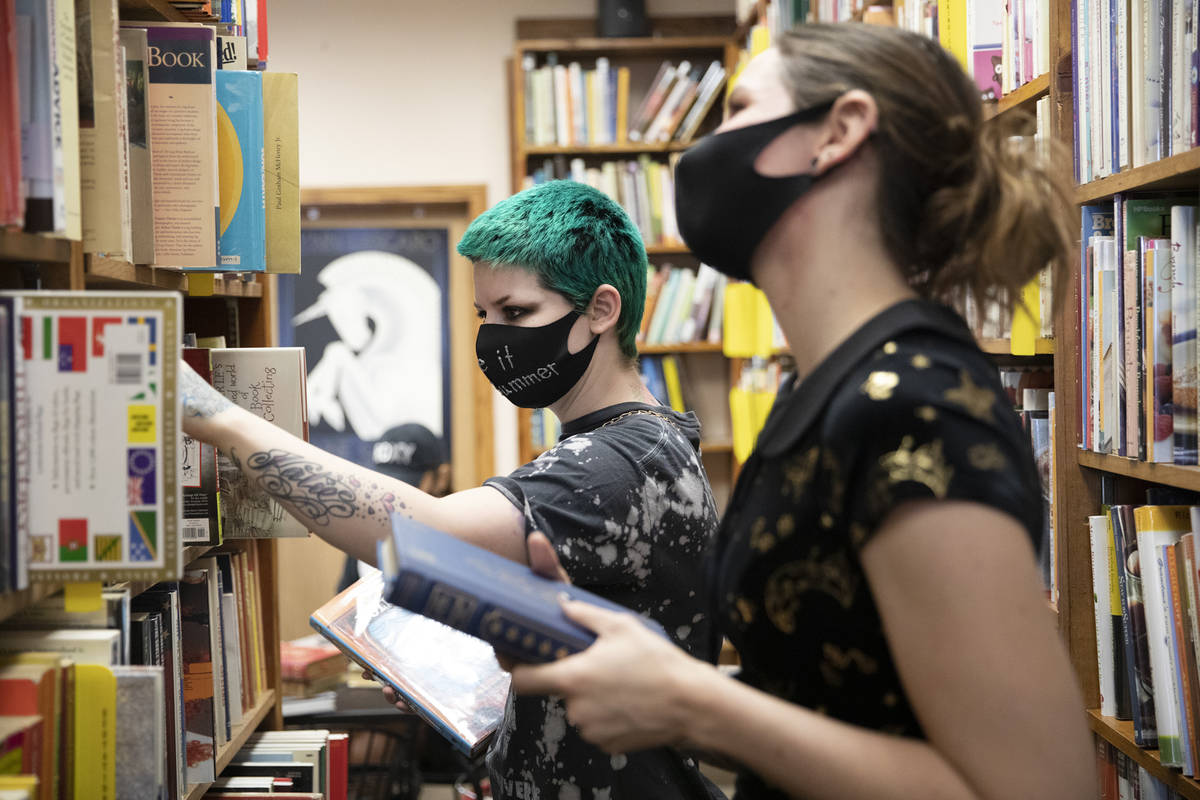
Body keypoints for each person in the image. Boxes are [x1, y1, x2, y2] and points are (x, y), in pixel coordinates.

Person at [508, 24, 1094, 800]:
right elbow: (829, 703)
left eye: (740, 108)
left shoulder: (912, 405)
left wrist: (694, 702)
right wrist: (635, 673)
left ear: (839, 131)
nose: (704, 149)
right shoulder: (819, 391)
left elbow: (1035, 790)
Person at [179, 179, 726, 799]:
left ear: (602, 310)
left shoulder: (618, 463)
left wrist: (214, 417)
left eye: (516, 313)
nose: (493, 339)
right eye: (483, 315)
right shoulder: (636, 441)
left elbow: (417, 531)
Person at [335, 423, 451, 593]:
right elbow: (343, 606)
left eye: (405, 485)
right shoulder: (367, 532)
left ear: (441, 477)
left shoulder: (457, 533)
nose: (393, 497)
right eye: (385, 485)